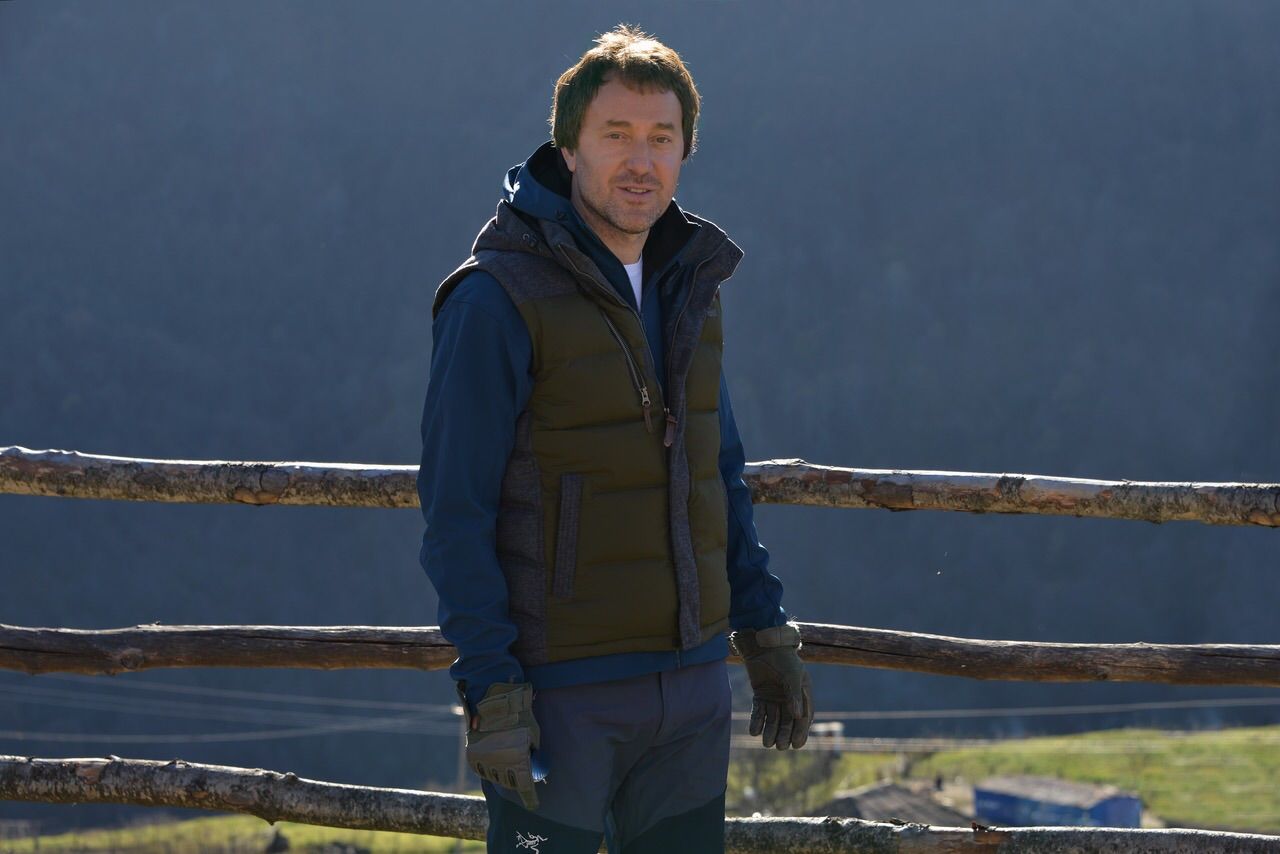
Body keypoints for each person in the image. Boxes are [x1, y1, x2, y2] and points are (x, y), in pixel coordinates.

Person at [417, 24, 813, 854]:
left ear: (686, 151)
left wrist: (761, 625)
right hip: (561, 695)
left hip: (693, 690)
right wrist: (491, 687)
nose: (642, 161)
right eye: (616, 135)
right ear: (568, 149)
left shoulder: (691, 285)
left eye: (662, 138)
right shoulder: (496, 300)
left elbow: (718, 471)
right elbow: (456, 512)